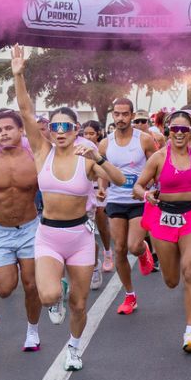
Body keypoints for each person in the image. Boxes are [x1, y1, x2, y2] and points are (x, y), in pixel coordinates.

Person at [12, 45, 125, 372]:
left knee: (79, 304)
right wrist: (19, 75)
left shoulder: (86, 158)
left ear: (75, 130)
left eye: (67, 127)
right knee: (48, 296)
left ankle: (74, 349)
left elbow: (118, 180)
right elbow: (25, 111)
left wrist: (98, 159)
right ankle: (54, 296)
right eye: (55, 126)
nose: (59, 132)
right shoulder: (40, 152)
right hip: (47, 234)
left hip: (79, 236)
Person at [133, 80, 191, 352]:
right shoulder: (158, 158)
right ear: (168, 130)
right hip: (163, 217)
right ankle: (152, 256)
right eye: (174, 128)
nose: (178, 133)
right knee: (172, 279)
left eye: (184, 129)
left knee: (189, 271)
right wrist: (145, 195)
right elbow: (139, 185)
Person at [0, 108, 44, 352]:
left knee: (31, 285)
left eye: (8, 128)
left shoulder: (34, 158)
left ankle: (32, 331)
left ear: (20, 130)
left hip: (30, 229)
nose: (3, 134)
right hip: (1, 231)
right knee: (4, 289)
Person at [101, 96, 159, 315]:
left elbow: (155, 167)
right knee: (119, 249)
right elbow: (102, 169)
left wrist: (147, 187)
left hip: (137, 200)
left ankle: (144, 251)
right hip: (115, 200)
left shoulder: (144, 139)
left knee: (134, 246)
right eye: (117, 114)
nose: (121, 118)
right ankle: (130, 295)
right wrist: (101, 187)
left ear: (132, 116)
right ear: (113, 115)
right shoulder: (105, 143)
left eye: (125, 114)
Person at [80, 119, 112, 288]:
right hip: (84, 194)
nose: (88, 136)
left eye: (91, 133)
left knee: (102, 222)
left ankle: (107, 252)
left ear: (98, 133)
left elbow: (102, 173)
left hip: (100, 191)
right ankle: (94, 264)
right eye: (85, 133)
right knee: (87, 231)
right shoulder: (77, 149)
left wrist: (101, 188)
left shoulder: (100, 149)